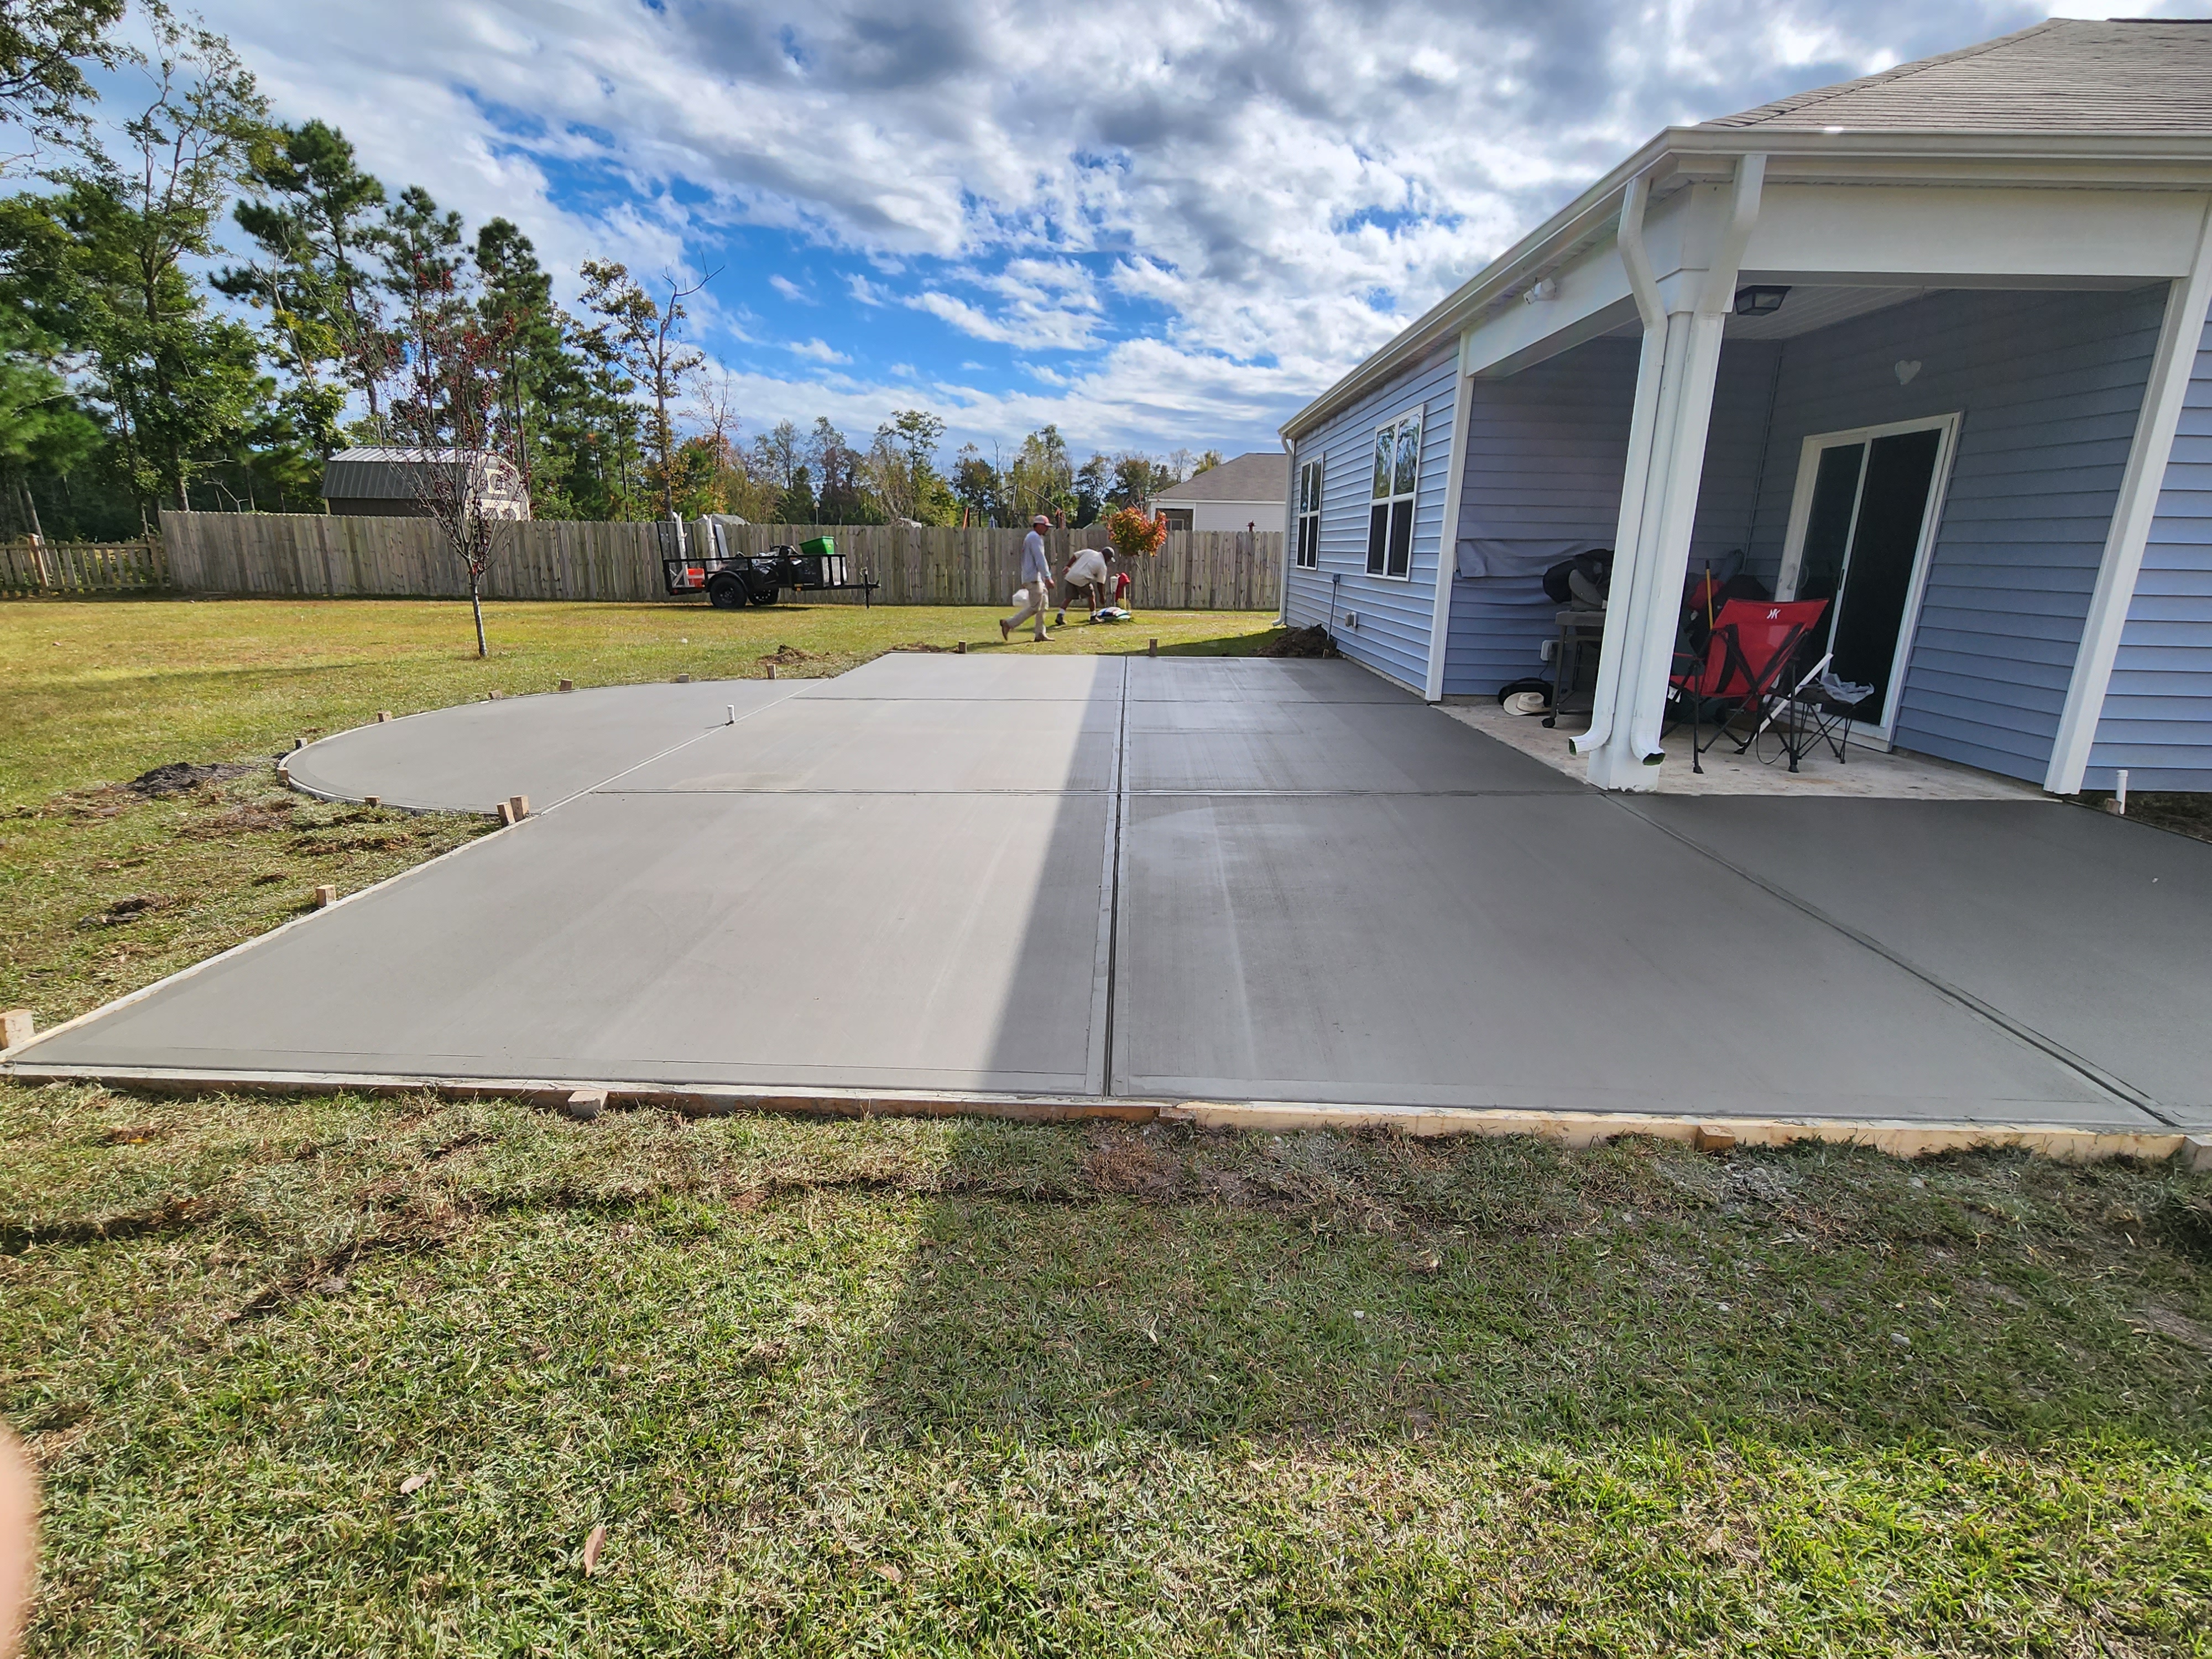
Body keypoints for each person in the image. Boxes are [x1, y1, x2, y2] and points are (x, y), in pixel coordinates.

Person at [1001, 515, 1056, 641]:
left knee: (1043, 606)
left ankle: (1040, 633)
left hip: (1035, 577)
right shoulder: (1035, 538)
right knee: (1035, 607)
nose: (1047, 530)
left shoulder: (1032, 537)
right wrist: (1047, 577)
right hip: (1034, 578)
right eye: (1046, 527)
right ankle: (1009, 624)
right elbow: (1040, 558)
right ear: (1039, 526)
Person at [1055, 544, 1110, 624]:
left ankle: (1060, 615)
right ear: (1107, 557)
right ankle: (1093, 617)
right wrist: (1102, 596)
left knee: (1068, 598)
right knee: (1091, 595)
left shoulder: (1090, 552)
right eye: (1109, 559)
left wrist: (1068, 566)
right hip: (1082, 578)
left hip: (1071, 575)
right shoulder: (1102, 565)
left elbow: (1075, 556)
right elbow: (1100, 583)